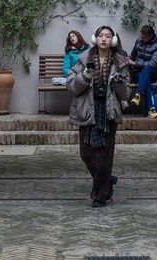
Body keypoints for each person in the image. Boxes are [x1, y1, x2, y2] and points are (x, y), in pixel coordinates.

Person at [67, 25, 131, 208]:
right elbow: (72, 86)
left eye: (108, 36)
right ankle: (106, 180)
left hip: (108, 112)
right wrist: (85, 76)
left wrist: (119, 84)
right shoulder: (83, 58)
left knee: (104, 155)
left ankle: (99, 196)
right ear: (95, 38)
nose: (104, 39)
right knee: (86, 153)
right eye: (101, 35)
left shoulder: (120, 62)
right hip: (87, 110)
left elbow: (125, 93)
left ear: (113, 40)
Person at [128, 25, 157, 118]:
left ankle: (139, 93)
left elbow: (153, 64)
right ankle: (150, 109)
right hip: (138, 73)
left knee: (147, 68)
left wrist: (135, 63)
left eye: (145, 37)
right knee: (145, 80)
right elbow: (132, 56)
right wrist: (130, 64)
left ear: (151, 36)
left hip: (153, 72)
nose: (142, 39)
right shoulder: (138, 41)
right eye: (141, 36)